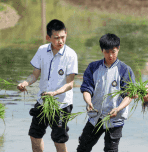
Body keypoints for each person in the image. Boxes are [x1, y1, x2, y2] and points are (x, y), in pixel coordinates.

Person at [17, 19, 78, 152]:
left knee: (58, 140)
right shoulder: (41, 50)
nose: (60, 41)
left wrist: (54, 93)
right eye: (56, 38)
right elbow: (34, 75)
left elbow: (70, 84)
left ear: (66, 34)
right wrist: (25, 83)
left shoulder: (71, 55)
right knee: (34, 135)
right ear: (48, 37)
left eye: (63, 37)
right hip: (42, 101)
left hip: (61, 105)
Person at [77, 33, 135, 152]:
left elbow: (129, 96)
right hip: (95, 116)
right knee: (83, 147)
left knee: (111, 150)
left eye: (113, 52)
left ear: (118, 49)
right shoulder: (93, 67)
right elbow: (87, 89)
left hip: (115, 119)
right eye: (107, 52)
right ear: (102, 50)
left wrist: (118, 109)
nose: (110, 55)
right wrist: (88, 102)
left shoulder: (125, 70)